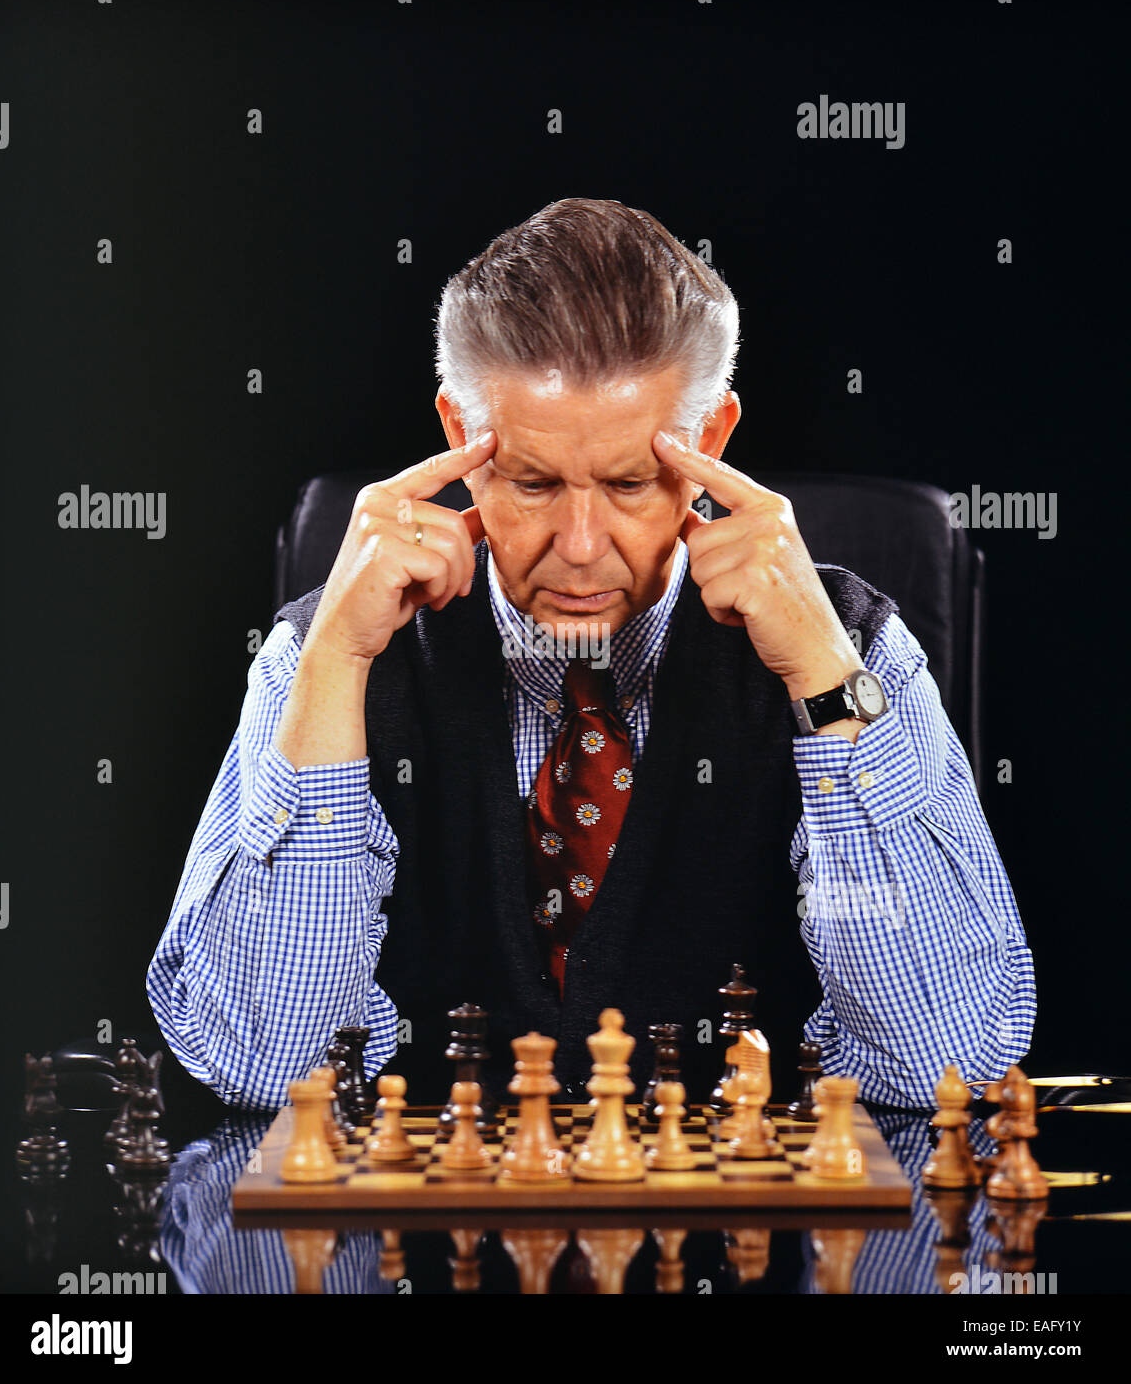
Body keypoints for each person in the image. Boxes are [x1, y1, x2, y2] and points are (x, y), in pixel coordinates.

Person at [148, 198, 1035, 1111]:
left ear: (711, 443)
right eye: (531, 482)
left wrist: (822, 679)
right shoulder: (317, 655)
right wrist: (337, 661)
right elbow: (266, 1069)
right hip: (415, 1248)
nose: (580, 546)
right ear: (461, 438)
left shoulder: (852, 649)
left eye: (629, 483)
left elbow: (946, 1063)